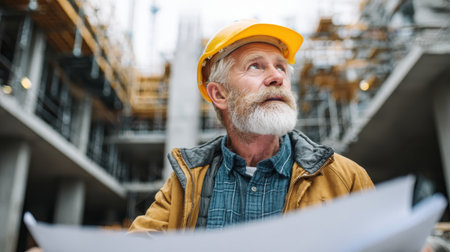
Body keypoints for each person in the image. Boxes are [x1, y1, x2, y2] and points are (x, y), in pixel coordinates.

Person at [129, 19, 374, 232]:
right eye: (255, 66)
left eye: (281, 67)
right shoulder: (184, 186)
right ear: (220, 94)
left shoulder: (346, 179)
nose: (277, 76)